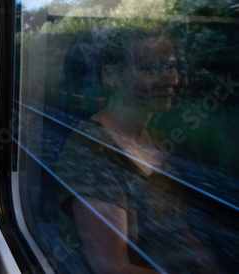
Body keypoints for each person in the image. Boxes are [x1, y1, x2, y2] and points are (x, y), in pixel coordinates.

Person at [56, 27, 217, 273]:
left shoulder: (157, 141)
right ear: (112, 76)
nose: (169, 79)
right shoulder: (91, 150)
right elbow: (113, 267)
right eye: (150, 68)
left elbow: (180, 228)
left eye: (171, 66)